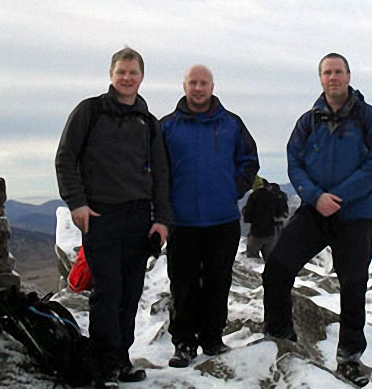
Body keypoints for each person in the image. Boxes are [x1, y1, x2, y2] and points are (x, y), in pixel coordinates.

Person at [262, 53, 372, 387]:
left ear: (348, 75)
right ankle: (279, 335)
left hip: (355, 215)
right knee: (277, 266)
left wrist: (340, 197)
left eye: (338, 71)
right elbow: (294, 162)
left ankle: (349, 357)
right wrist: (315, 196)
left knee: (352, 285)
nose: (333, 77)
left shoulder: (370, 118)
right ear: (320, 78)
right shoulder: (308, 121)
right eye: (327, 72)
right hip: (314, 211)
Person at [55, 47, 171, 389]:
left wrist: (162, 219)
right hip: (100, 214)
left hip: (138, 216)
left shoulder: (148, 123)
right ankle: (104, 363)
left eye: (133, 73)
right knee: (108, 291)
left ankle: (121, 359)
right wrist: (76, 202)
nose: (127, 78)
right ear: (111, 74)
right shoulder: (90, 112)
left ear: (141, 77)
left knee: (130, 292)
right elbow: (66, 157)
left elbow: (162, 175)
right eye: (121, 72)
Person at [160, 65, 259, 368]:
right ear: (184, 86)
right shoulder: (167, 126)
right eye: (193, 83)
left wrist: (233, 189)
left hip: (222, 219)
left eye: (203, 83)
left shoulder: (231, 124)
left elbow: (249, 160)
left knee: (218, 281)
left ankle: (212, 338)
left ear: (213, 86)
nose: (198, 88)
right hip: (182, 221)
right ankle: (184, 342)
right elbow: (156, 170)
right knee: (183, 284)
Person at [242, 176, 289, 261]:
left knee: (252, 258)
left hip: (257, 232)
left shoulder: (254, 196)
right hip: (272, 232)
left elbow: (247, 217)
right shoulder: (276, 196)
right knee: (270, 259)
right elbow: (282, 213)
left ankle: (255, 274)